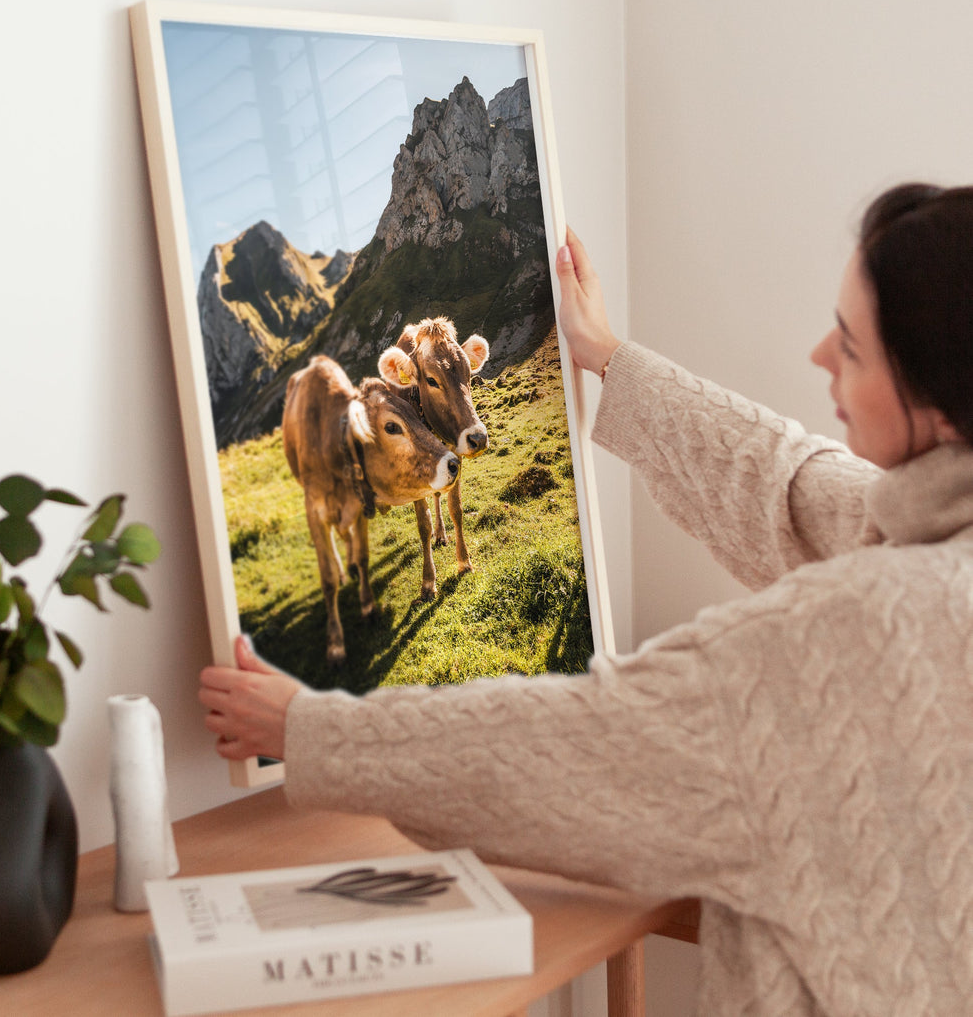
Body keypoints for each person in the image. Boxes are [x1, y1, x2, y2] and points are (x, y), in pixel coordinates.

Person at [199, 183, 973, 1016]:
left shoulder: (851, 635)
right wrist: (606, 355)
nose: (821, 354)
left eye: (852, 348)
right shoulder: (935, 534)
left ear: (937, 404)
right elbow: (790, 484)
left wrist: (308, 729)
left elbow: (580, 744)